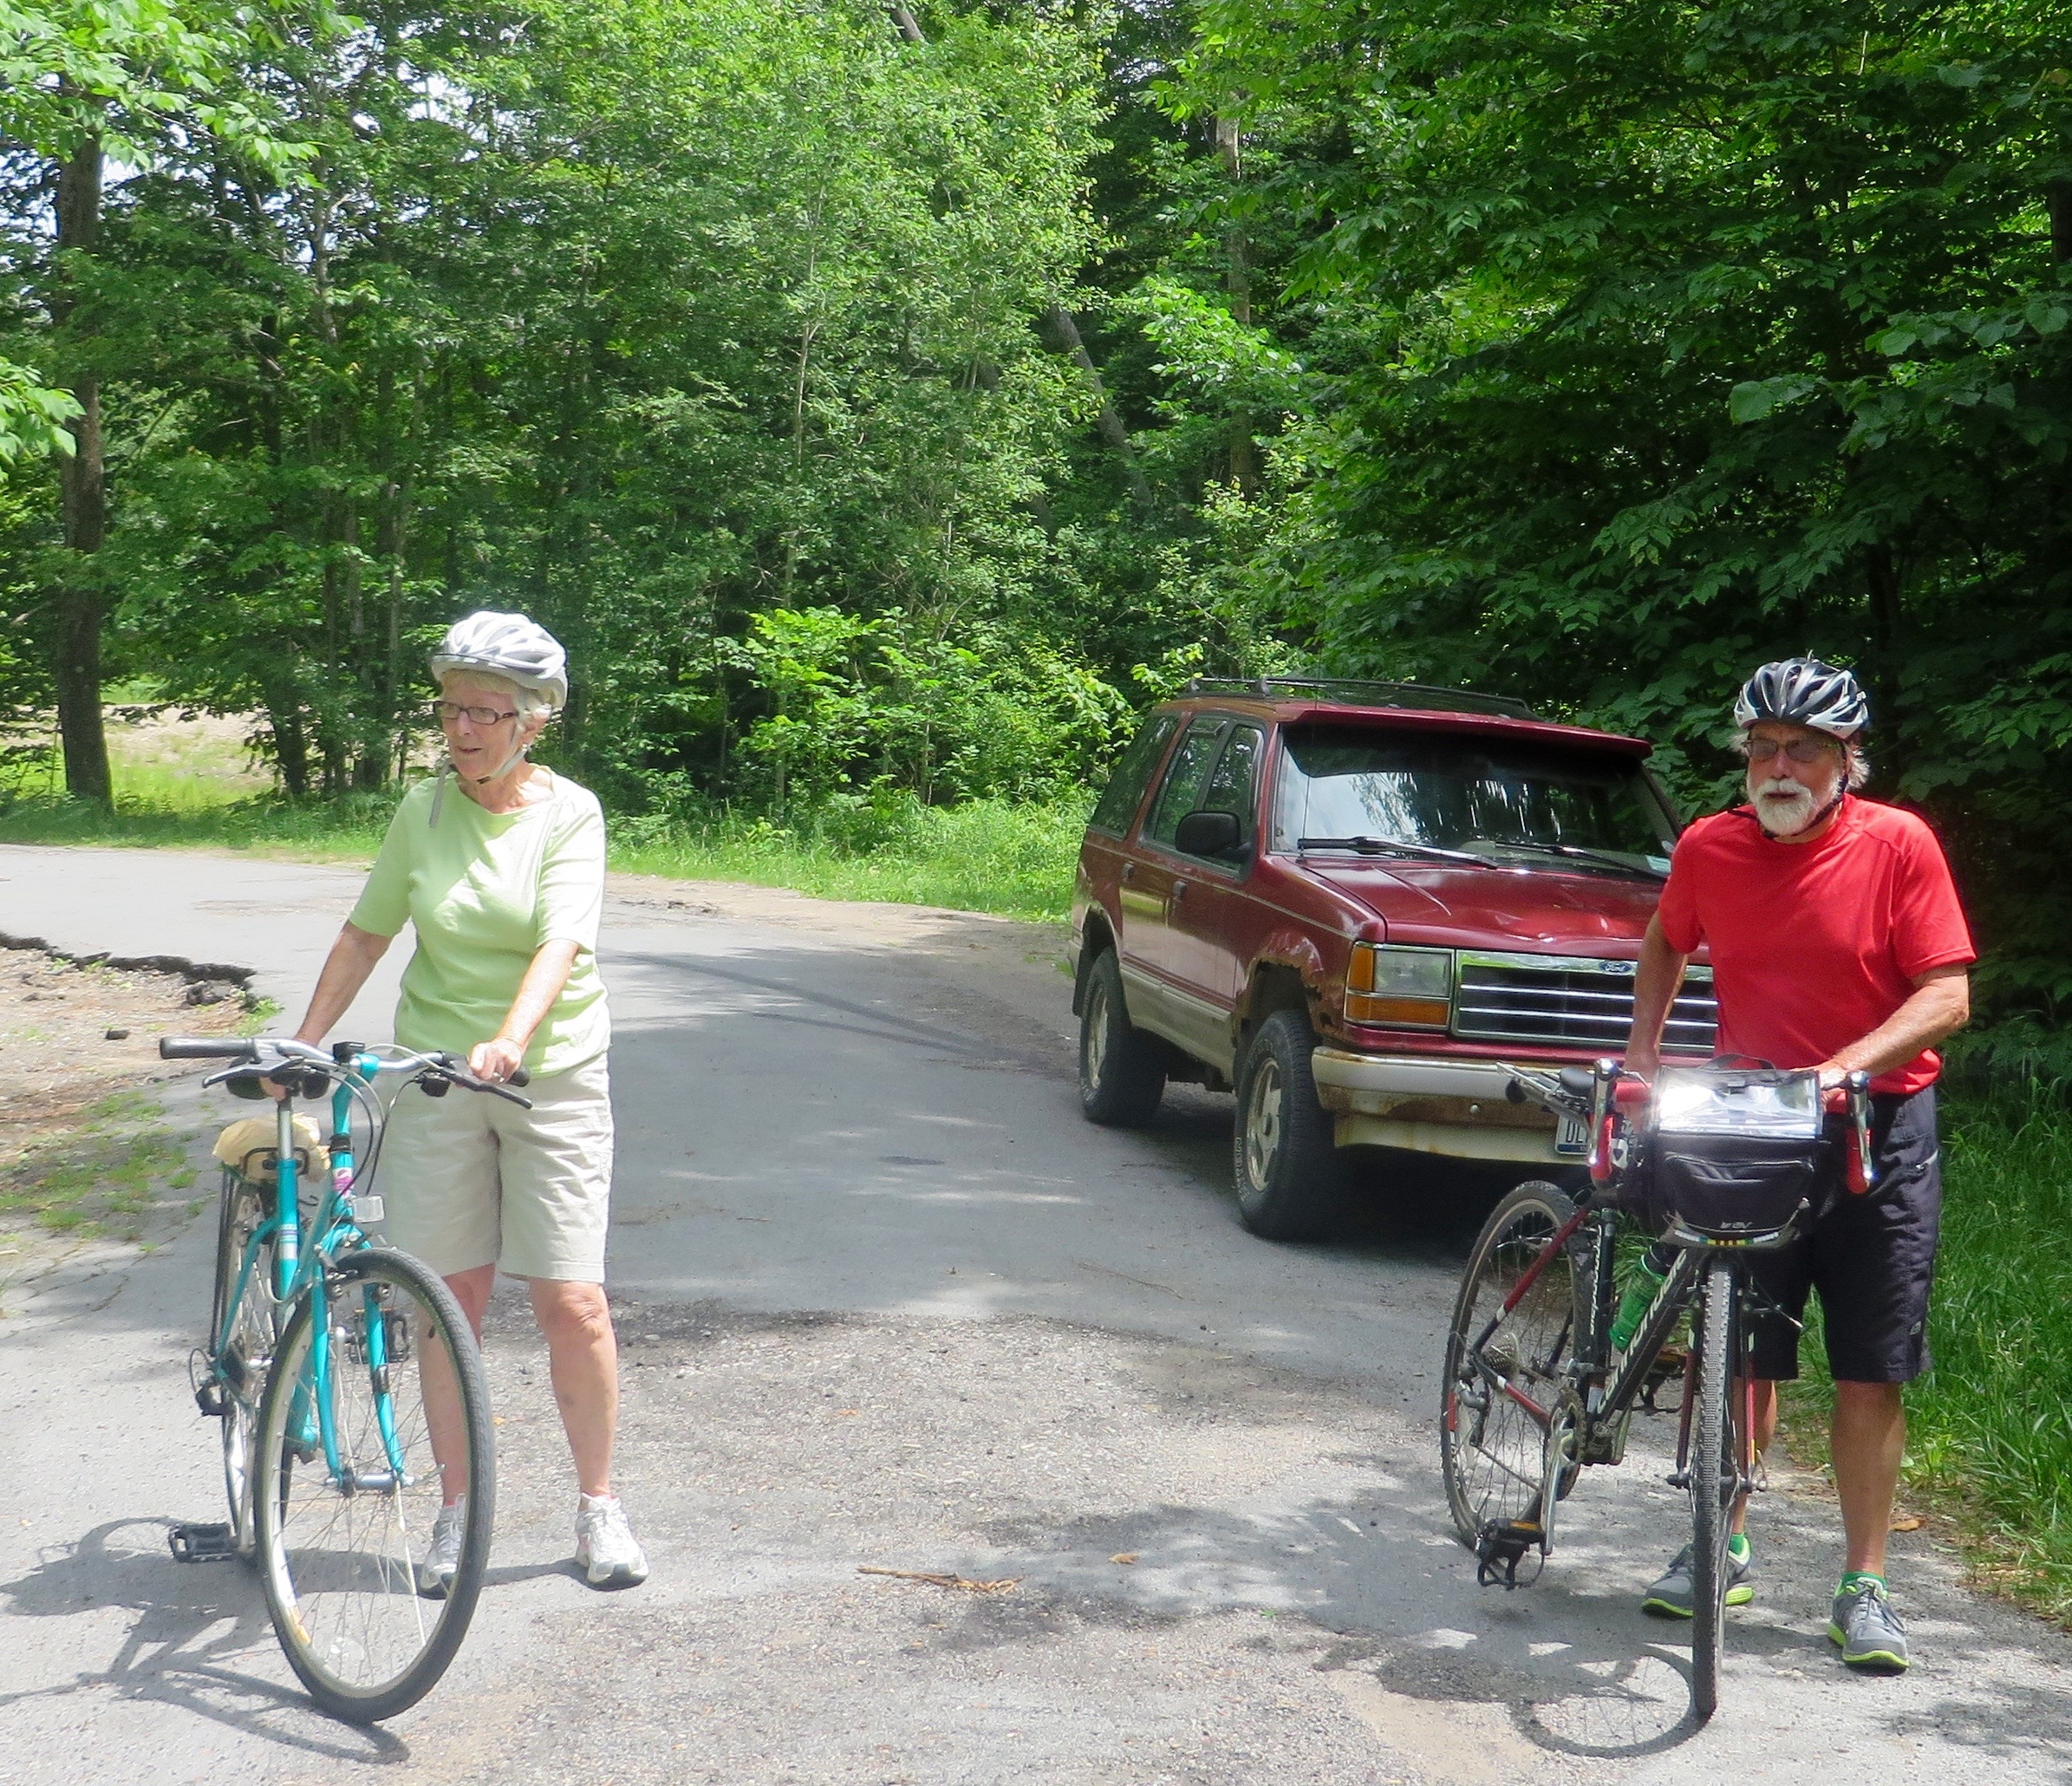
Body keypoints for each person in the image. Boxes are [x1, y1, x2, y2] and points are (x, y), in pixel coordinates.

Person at [282, 609, 648, 1591]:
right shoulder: (423, 812)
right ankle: (454, 1510)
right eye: (451, 707)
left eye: (485, 711)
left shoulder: (570, 813)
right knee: (448, 1301)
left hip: (551, 1073)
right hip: (438, 1076)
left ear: (534, 721)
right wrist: (304, 1043)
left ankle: (597, 1506)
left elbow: (559, 943)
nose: (463, 728)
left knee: (570, 1296)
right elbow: (367, 934)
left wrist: (511, 1039)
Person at [1623, 657, 1972, 1672]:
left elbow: (1944, 995)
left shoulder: (1897, 842)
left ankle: (1862, 1586)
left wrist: (1839, 1067)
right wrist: (1644, 1057)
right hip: (1749, 1122)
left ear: (1843, 760)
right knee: (1737, 1351)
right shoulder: (1709, 846)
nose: (1779, 766)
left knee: (1869, 1368)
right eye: (1763, 748)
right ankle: (1714, 1542)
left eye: (1805, 750)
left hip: (1879, 1127)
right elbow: (1662, 942)